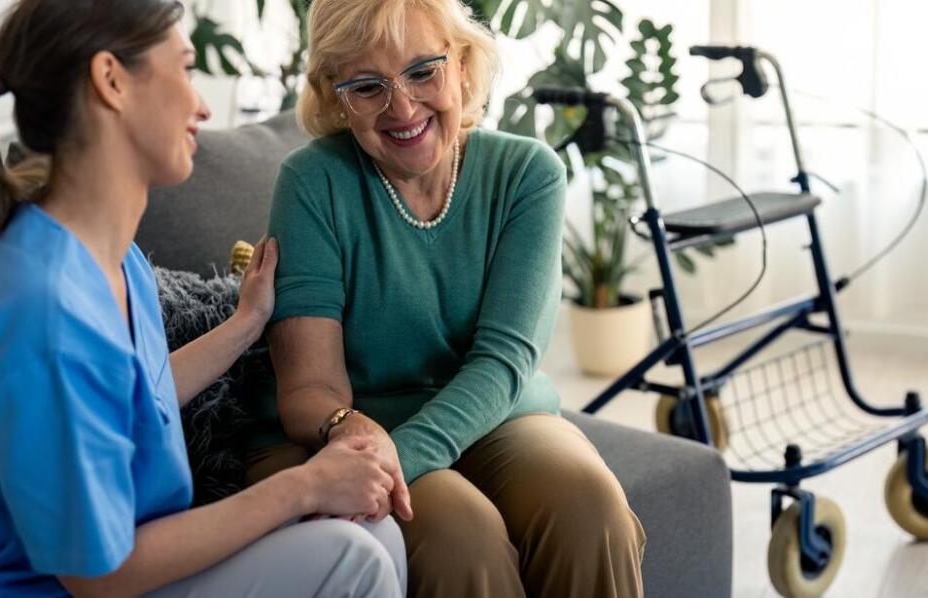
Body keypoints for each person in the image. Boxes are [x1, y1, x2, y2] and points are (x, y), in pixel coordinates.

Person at [0, 1, 405, 596]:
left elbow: (136, 394)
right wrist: (306, 485)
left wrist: (246, 323)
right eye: (185, 70)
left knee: (372, 532)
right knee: (349, 558)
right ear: (111, 80)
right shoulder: (36, 309)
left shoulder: (115, 260)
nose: (203, 105)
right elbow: (99, 574)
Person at [247, 0, 646, 595]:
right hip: (351, 427)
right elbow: (310, 390)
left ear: (462, 65)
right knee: (462, 536)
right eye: (367, 86)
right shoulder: (313, 182)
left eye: (422, 71)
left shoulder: (526, 174)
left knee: (590, 505)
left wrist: (397, 461)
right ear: (336, 95)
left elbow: (505, 361)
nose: (402, 107)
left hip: (495, 412)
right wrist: (358, 442)